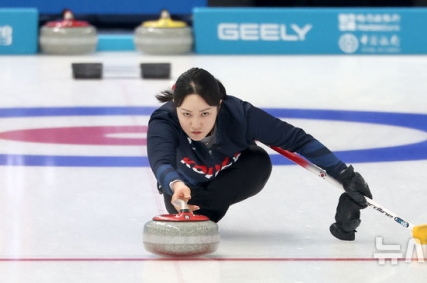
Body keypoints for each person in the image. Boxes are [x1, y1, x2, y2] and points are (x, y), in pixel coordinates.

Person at [146, 67, 373, 241]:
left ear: (219, 105)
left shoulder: (241, 114)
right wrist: (175, 184)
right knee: (197, 212)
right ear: (175, 106)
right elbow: (161, 161)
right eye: (186, 114)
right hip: (183, 193)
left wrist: (345, 174)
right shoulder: (164, 121)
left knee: (258, 160)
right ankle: (200, 207)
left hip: (232, 176)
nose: (195, 124)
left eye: (205, 113)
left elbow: (297, 140)